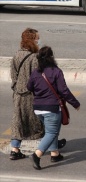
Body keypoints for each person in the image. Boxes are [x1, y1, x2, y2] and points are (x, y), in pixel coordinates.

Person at [27, 46, 81, 169]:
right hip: (51, 107)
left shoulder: (36, 72)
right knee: (52, 132)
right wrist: (75, 103)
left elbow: (29, 87)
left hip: (37, 108)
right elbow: (64, 91)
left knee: (51, 130)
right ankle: (37, 154)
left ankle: (55, 154)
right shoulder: (56, 71)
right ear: (51, 57)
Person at [10, 28, 44, 161]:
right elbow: (38, 77)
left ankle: (15, 149)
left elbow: (14, 76)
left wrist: (17, 88)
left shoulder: (16, 55)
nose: (38, 40)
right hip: (31, 95)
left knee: (18, 121)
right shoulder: (35, 57)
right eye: (37, 38)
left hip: (18, 94)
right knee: (43, 120)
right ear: (32, 40)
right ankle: (52, 144)